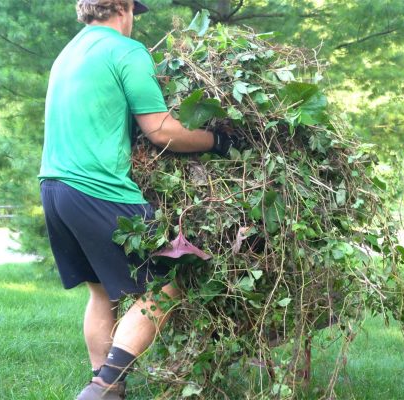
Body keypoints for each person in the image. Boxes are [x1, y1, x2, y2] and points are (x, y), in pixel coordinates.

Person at [38, 1, 235, 399]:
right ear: (124, 8)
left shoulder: (68, 54)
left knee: (100, 291)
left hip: (54, 188)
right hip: (98, 189)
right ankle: (104, 384)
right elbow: (162, 131)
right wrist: (218, 141)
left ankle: (108, 388)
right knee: (167, 283)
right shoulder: (125, 50)